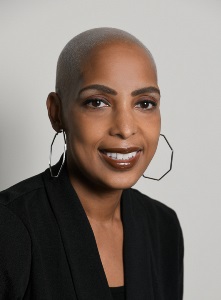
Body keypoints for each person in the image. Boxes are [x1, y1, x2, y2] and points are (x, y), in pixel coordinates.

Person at [0, 28, 184, 300]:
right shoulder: (8, 227)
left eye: (144, 103)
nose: (125, 128)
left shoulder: (163, 226)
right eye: (97, 102)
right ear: (56, 113)